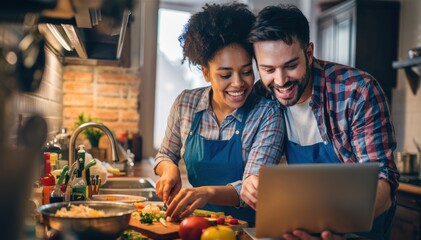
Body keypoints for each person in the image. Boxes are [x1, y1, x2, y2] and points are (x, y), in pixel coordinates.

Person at [240, 4, 399, 240]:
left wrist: (337, 227)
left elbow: (383, 183)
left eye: (291, 66)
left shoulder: (358, 91)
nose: (281, 81)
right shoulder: (263, 94)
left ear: (309, 52)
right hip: (303, 230)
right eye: (268, 69)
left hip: (360, 232)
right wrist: (251, 181)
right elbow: (259, 159)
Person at [153, 2, 285, 226]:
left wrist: (206, 193)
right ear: (206, 73)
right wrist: (169, 170)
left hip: (248, 229)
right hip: (195, 224)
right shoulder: (186, 103)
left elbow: (252, 186)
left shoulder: (267, 114)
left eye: (246, 72)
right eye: (225, 75)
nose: (238, 84)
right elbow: (165, 154)